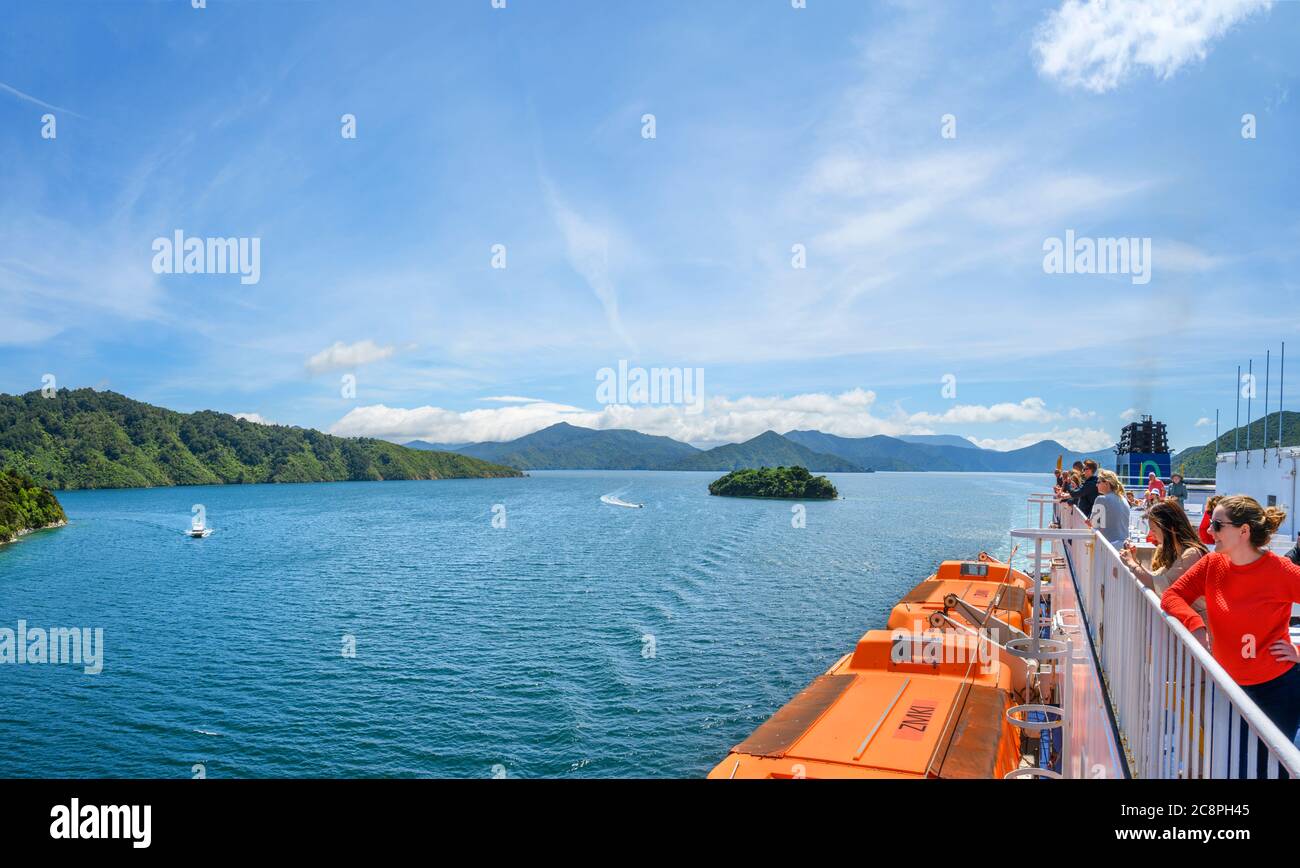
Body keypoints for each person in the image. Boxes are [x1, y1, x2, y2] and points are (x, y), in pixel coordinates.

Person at [1161, 495, 1300, 776]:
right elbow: (1172, 595)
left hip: (1276, 689)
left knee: (1269, 770)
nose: (1209, 531)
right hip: (1226, 686)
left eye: (1217, 525)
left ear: (1244, 531)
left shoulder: (1280, 571)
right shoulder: (1213, 564)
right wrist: (1195, 626)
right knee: (1228, 765)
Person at [1121, 499, 1208, 622]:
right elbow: (1156, 577)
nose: (1151, 534)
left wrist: (1131, 563)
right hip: (1189, 624)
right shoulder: (1178, 552)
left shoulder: (1191, 554)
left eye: (1154, 529)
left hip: (1198, 629)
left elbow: (1160, 586)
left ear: (1170, 529)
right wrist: (1135, 561)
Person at [1088, 470, 1131, 548]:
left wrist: (1090, 522)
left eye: (1098, 482)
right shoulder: (1123, 499)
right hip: (1123, 546)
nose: (1096, 485)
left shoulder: (1101, 499)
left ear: (1106, 483)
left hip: (1108, 547)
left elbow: (1093, 523)